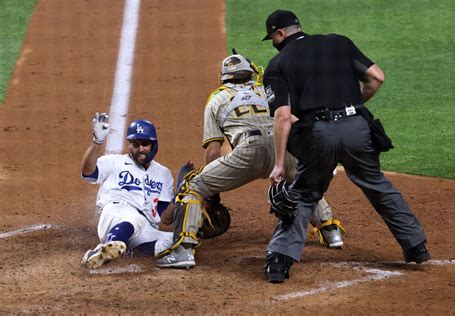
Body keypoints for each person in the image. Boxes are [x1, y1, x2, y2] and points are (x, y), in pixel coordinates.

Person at [261, 10, 431, 283]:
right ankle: (416, 246)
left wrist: (279, 163)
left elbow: (282, 116)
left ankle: (279, 262)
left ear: (279, 34)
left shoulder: (278, 63)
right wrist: (353, 105)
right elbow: (377, 78)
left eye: (272, 38)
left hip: (318, 134)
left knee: (304, 194)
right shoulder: (339, 42)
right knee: (376, 184)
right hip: (357, 129)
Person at [155, 53, 345, 269]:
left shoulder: (217, 98)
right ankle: (332, 233)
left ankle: (184, 251)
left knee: (194, 186)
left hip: (248, 152)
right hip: (284, 149)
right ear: (251, 73)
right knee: (303, 183)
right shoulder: (267, 90)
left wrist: (211, 191)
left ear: (224, 78)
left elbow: (213, 150)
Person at [81, 113, 176, 269]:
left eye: (144, 144)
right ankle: (104, 247)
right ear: (129, 144)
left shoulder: (163, 173)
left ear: (154, 144)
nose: (140, 149)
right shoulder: (113, 162)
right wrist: (97, 142)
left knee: (177, 241)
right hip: (115, 214)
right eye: (135, 144)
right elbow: (87, 172)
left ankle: (124, 252)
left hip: (145, 227)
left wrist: (179, 196)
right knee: (134, 218)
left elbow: (165, 218)